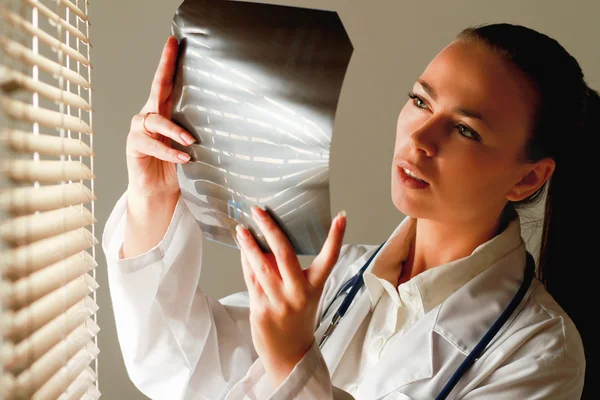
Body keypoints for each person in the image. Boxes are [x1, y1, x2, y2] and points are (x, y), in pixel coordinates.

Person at [103, 23, 597, 399]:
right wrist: (154, 194)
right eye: (421, 101)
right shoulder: (337, 276)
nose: (419, 139)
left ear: (528, 177)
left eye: (466, 129)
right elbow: (179, 369)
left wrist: (295, 360)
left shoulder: (539, 352)